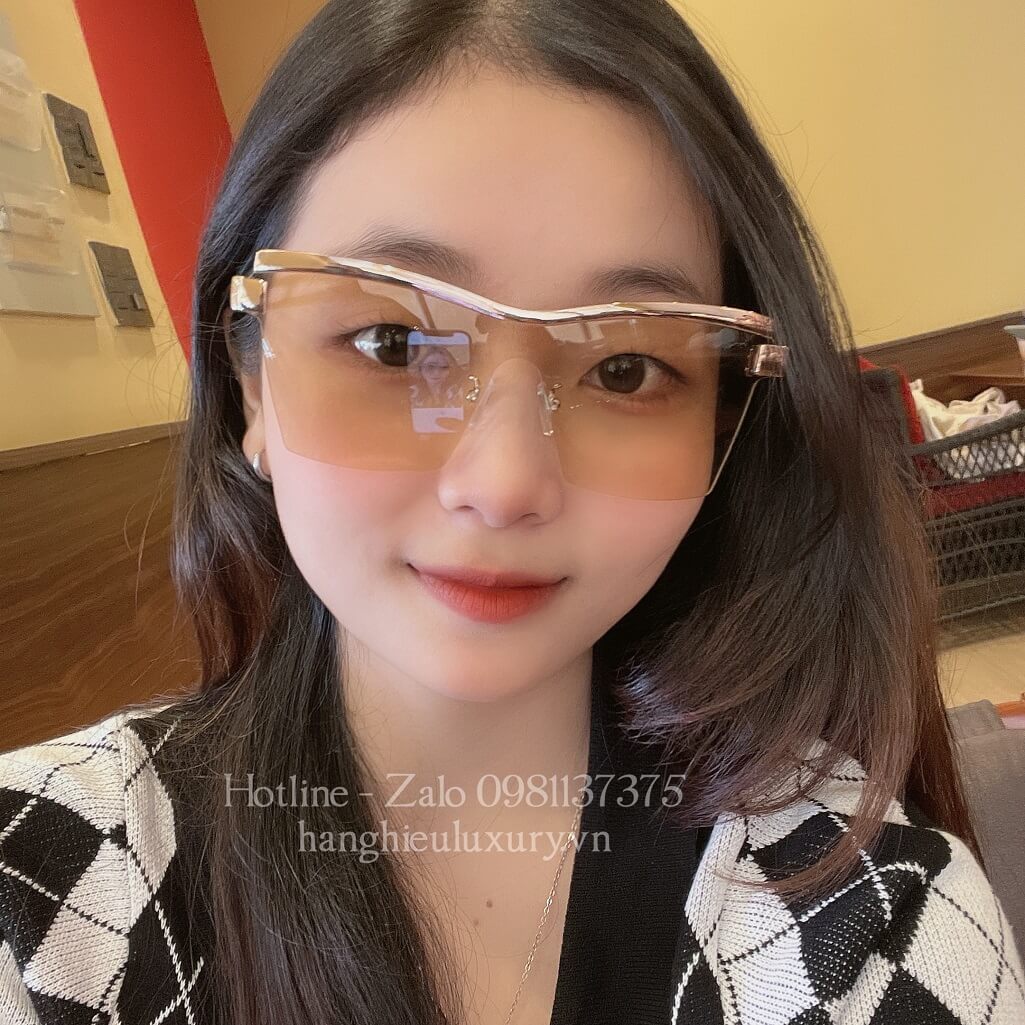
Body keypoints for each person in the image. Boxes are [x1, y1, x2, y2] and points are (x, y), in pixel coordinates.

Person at [1, 1, 1022, 1023]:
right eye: (394, 344)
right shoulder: (40, 894)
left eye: (625, 368)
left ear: (723, 420)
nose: (503, 483)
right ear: (250, 383)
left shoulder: (863, 916)